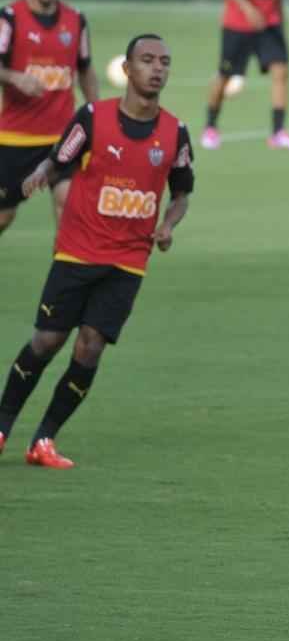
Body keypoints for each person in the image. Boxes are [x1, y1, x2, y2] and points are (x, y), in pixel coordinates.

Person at [0, 34, 194, 468]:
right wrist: (39, 174)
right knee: (47, 340)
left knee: (89, 348)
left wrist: (167, 224)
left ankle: (44, 440)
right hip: (77, 252)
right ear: (127, 69)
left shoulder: (175, 132)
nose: (157, 68)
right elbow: (59, 158)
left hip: (128, 261)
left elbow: (182, 193)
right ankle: (2, 426)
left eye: (164, 61)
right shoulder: (91, 118)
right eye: (147, 60)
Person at [0, 0, 98, 237]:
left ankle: (65, 274)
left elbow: (85, 70)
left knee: (69, 207)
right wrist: (14, 77)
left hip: (62, 137)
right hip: (15, 138)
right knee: (4, 215)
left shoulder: (76, 20)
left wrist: (99, 115)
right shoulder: (9, 17)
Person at [200, 0, 289, 151]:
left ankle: (278, 132)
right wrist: (248, 9)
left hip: (270, 24)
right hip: (238, 24)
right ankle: (210, 128)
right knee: (224, 76)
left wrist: (280, 20)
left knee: (280, 71)